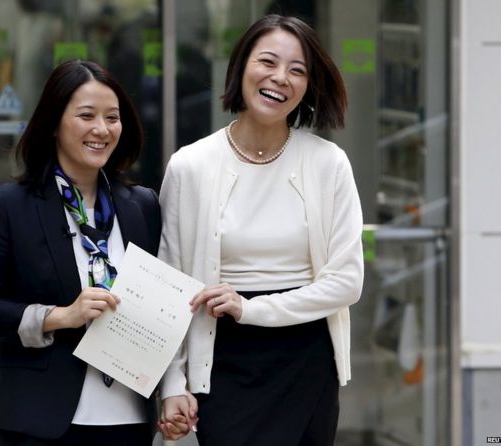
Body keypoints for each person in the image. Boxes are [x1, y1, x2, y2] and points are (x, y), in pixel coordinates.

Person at [158, 14, 364, 446]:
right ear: (241, 67)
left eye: (297, 70)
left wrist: (253, 309)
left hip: (307, 360)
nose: (280, 78)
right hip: (223, 359)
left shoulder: (329, 163)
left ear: (310, 85)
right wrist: (172, 382)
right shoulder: (190, 165)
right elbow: (170, 281)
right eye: (267, 61)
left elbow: (347, 282)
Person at [0, 60, 167, 445]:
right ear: (54, 124)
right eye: (86, 116)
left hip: (128, 417)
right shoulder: (10, 206)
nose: (102, 129)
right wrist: (61, 316)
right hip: (40, 420)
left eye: (113, 117)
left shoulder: (143, 206)